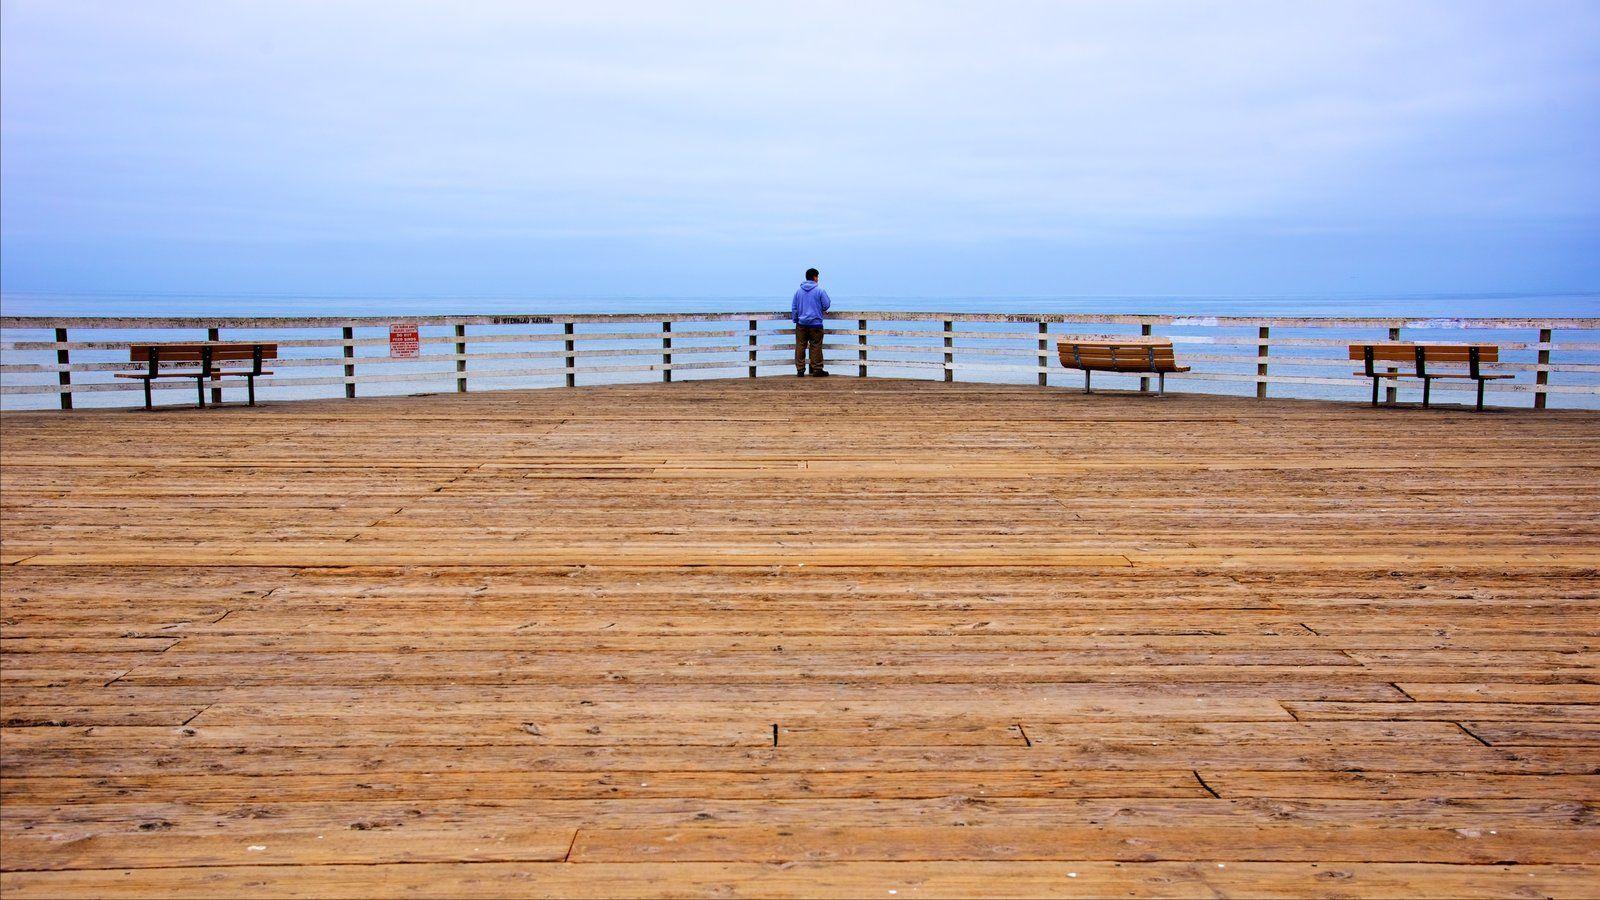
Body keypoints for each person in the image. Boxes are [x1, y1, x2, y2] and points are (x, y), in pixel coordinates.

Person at [791, 267, 831, 376]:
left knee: (800, 346)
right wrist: (820, 308)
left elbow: (794, 308)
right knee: (816, 346)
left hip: (801, 324)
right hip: (816, 324)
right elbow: (826, 304)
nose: (818, 279)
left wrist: (795, 320)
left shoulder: (798, 292)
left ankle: (800, 370)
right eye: (817, 277)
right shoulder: (820, 291)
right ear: (814, 277)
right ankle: (817, 369)